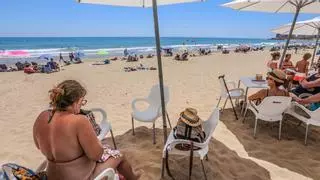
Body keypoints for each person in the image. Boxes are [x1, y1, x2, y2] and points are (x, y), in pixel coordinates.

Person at [33, 80, 138, 180]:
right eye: (82, 102)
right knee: (120, 155)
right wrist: (97, 143)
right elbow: (96, 155)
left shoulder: (42, 116)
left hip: (52, 175)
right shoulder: (79, 120)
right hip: (79, 176)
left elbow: (38, 145)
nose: (81, 105)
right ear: (76, 101)